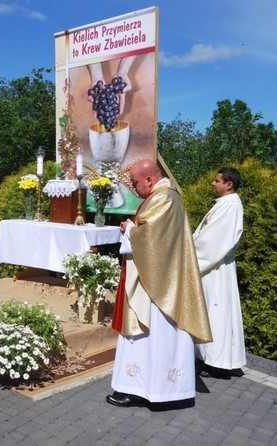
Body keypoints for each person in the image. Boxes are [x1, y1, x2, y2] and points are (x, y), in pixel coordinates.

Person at [106, 159, 212, 408]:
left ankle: (147, 390)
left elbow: (150, 238)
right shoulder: (163, 196)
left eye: (135, 183)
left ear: (149, 179)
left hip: (159, 287)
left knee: (152, 335)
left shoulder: (164, 198)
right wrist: (133, 227)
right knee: (156, 337)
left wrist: (130, 230)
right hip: (158, 280)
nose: (133, 188)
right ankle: (149, 389)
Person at [193, 167, 246, 378]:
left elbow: (212, 242)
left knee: (216, 312)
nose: (213, 184)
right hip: (212, 266)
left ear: (228, 184)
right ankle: (207, 358)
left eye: (217, 181)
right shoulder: (224, 205)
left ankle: (216, 362)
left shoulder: (231, 207)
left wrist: (189, 257)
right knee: (210, 311)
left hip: (215, 268)